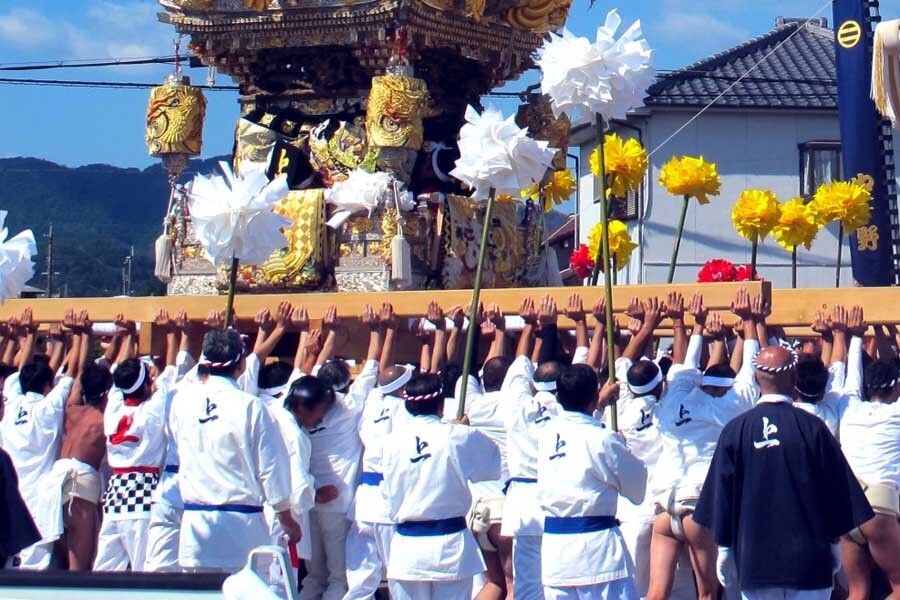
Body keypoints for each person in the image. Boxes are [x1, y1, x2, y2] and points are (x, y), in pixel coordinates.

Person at [694, 345, 874, 600]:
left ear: (756, 379)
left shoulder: (735, 430)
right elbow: (837, 494)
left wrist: (725, 547)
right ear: (793, 380)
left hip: (755, 562)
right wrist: (834, 544)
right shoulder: (813, 428)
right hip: (810, 561)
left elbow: (722, 499)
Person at [647, 290, 761, 600]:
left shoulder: (674, 400)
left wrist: (694, 325)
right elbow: (752, 373)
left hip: (664, 505)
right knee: (708, 593)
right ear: (728, 387)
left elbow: (684, 368)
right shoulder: (730, 406)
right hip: (697, 503)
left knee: (656, 593)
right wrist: (750, 322)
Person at [169, 328, 301, 573]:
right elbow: (271, 468)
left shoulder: (181, 401)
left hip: (197, 529)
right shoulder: (251, 406)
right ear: (241, 363)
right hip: (242, 528)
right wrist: (286, 517)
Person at [381, 372, 501, 600]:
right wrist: (465, 432)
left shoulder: (391, 441)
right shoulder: (458, 436)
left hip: (409, 549)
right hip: (448, 547)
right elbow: (492, 467)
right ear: (441, 403)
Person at [537, 364, 647, 600]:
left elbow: (576, 425)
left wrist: (596, 405)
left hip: (556, 554)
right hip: (598, 553)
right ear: (594, 394)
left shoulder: (545, 433)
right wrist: (623, 447)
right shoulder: (605, 439)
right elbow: (637, 491)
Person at [301, 304, 382, 600]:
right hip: (338, 502)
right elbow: (372, 367)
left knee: (314, 576)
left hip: (311, 498)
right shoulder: (348, 408)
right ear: (345, 385)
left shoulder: (303, 407)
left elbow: (308, 376)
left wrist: (329, 333)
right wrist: (376, 329)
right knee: (338, 578)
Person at [94, 312, 178, 572]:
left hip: (115, 492)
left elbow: (120, 376)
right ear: (146, 385)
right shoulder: (151, 411)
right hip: (142, 492)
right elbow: (171, 373)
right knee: (143, 569)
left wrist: (129, 335)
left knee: (105, 570)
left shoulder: (114, 407)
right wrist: (174, 333)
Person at [0, 307, 77, 568]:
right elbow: (70, 373)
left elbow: (20, 373)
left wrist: (30, 334)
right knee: (34, 572)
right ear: (48, 386)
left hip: (9, 498)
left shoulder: (11, 403)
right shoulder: (47, 407)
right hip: (39, 501)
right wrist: (79, 336)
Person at [345, 303, 410, 600]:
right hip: (386, 500)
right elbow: (388, 377)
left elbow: (383, 376)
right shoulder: (405, 411)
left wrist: (387, 332)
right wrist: (389, 331)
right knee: (398, 575)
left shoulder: (372, 400)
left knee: (360, 581)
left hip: (363, 504)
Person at [838, 306, 900, 600]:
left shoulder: (848, 406)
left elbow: (851, 376)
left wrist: (854, 336)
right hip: (879, 504)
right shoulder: (896, 415)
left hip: (847, 504)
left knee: (857, 592)